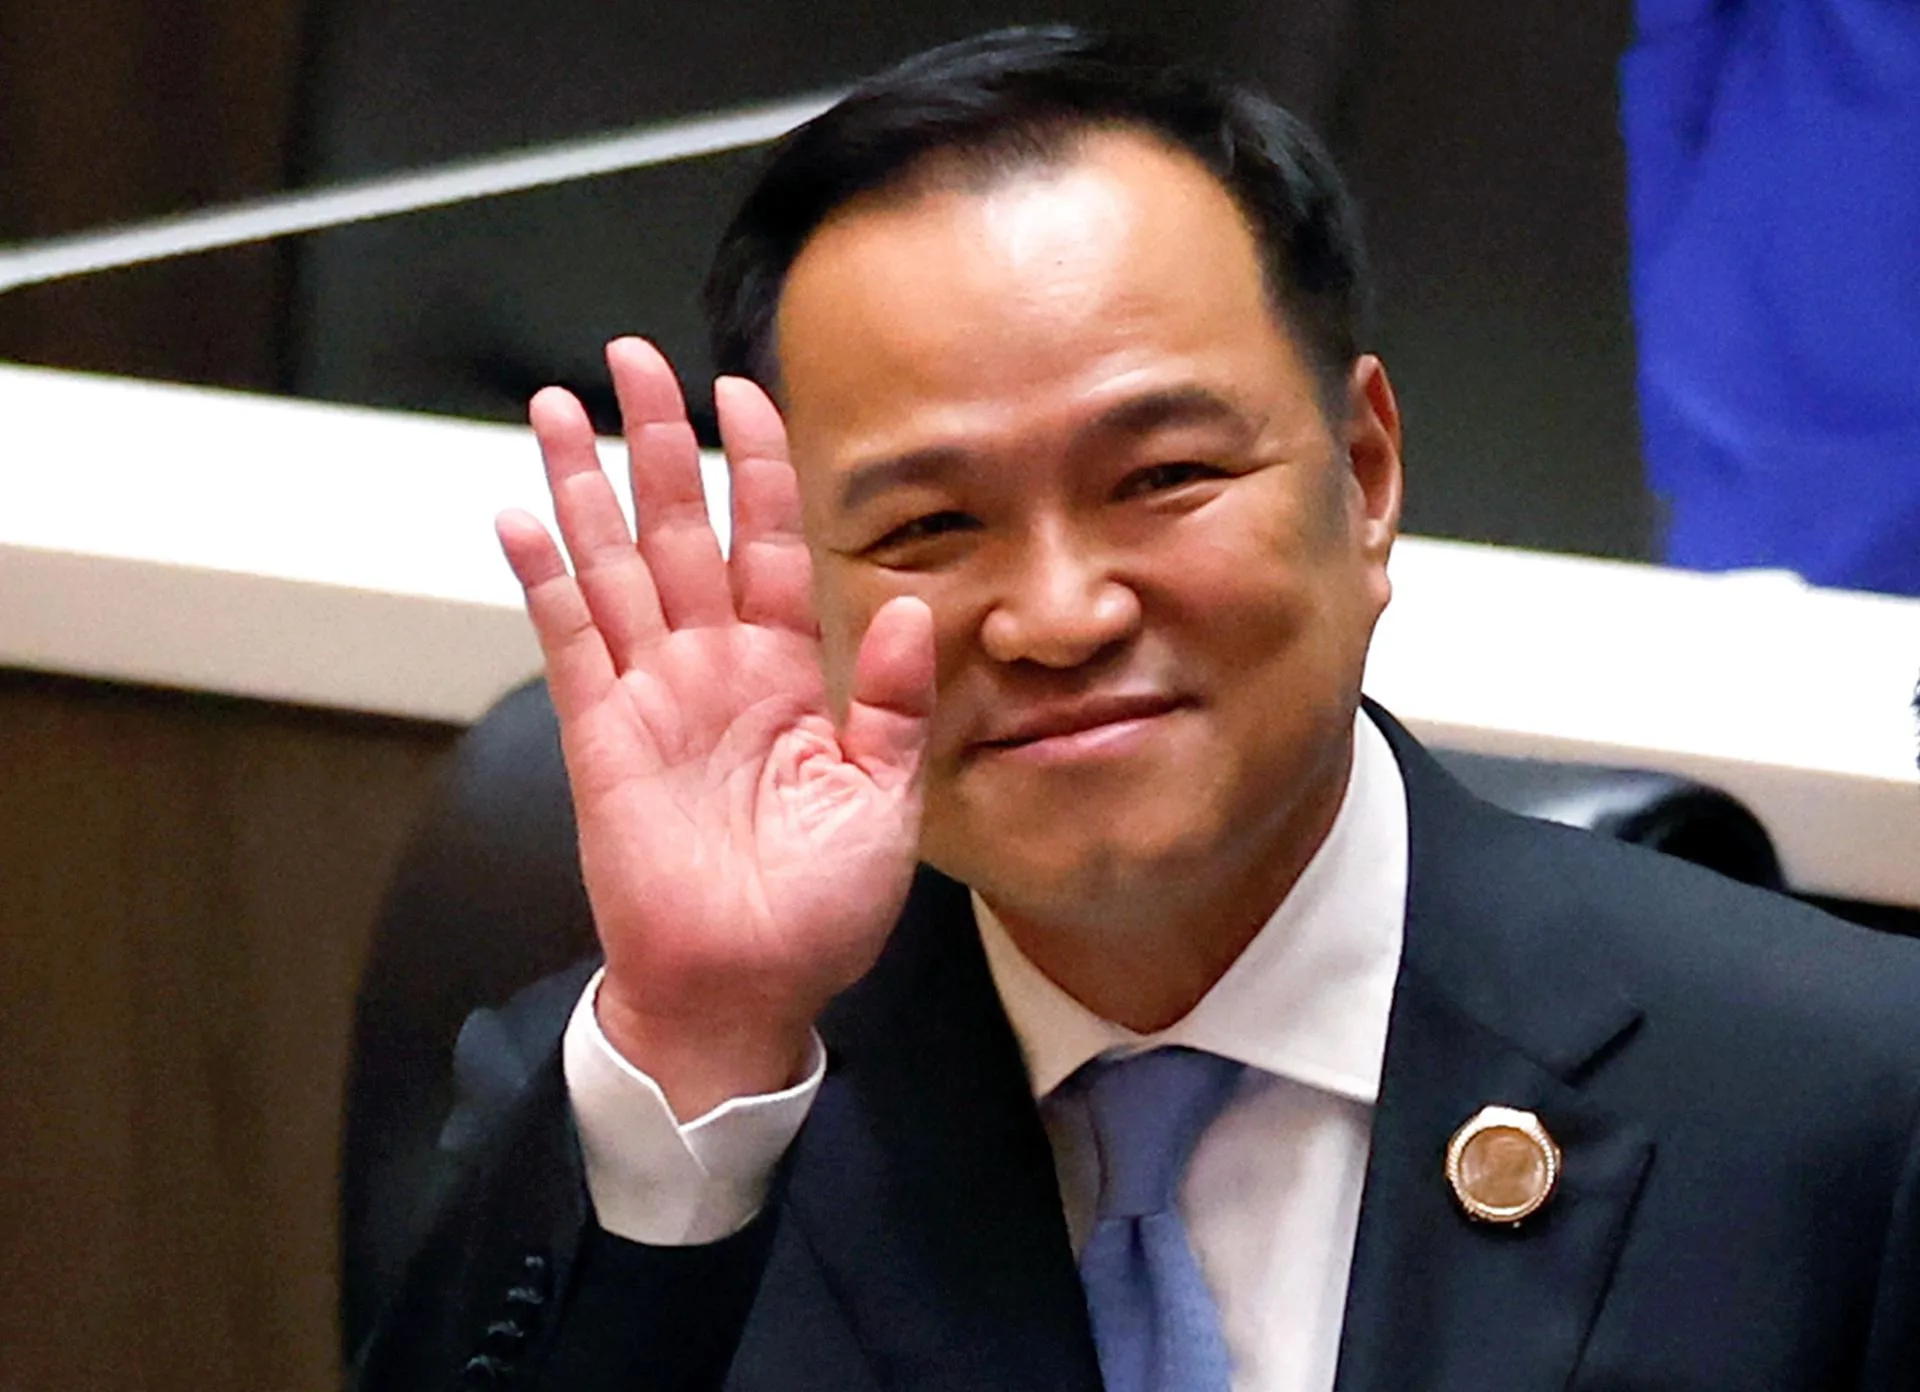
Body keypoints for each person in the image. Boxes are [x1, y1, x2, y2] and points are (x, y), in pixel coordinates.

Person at [353, 27, 1920, 1392]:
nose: (1058, 617)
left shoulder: (1837, 1102)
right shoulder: (680, 1107)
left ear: (1365, 476)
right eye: (927, 526)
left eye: (1163, 477)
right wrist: (705, 1043)